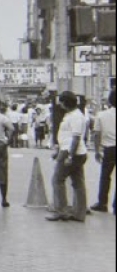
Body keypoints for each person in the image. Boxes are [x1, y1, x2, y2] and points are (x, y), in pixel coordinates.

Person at [46, 91, 89, 222]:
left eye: (61, 101)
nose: (59, 104)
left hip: (71, 151)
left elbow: (75, 138)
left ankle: (61, 211)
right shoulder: (73, 115)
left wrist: (69, 156)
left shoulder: (75, 116)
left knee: (57, 180)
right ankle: (79, 213)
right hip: (75, 151)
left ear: (66, 103)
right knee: (78, 182)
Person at [90, 90, 116, 214]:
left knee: (105, 177)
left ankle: (102, 203)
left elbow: (96, 134)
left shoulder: (101, 115)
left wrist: (96, 151)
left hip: (109, 149)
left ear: (110, 100)